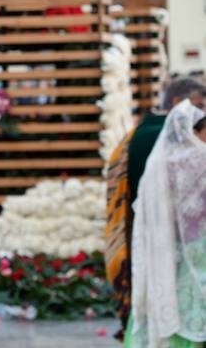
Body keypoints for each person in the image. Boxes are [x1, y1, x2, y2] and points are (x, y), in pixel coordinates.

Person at [105, 77, 206, 340]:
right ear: (178, 103)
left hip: (150, 236)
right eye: (200, 105)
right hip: (182, 246)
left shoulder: (141, 137)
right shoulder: (179, 150)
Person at [126, 100, 206, 348]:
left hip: (172, 249)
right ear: (194, 131)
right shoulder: (199, 160)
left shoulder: (162, 163)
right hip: (199, 249)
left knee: (176, 303)